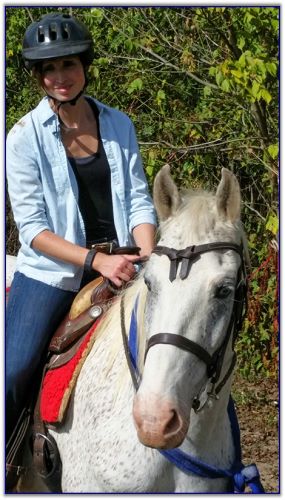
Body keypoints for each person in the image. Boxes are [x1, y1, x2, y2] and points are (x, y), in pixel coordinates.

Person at [6, 12, 156, 462]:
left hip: (128, 259)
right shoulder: (22, 138)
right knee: (11, 372)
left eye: (67, 64)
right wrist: (97, 261)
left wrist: (147, 254)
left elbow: (139, 201)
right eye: (48, 69)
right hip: (54, 275)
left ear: (85, 66)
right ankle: (8, 464)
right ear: (38, 76)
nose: (60, 77)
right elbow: (33, 230)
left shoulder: (117, 124)